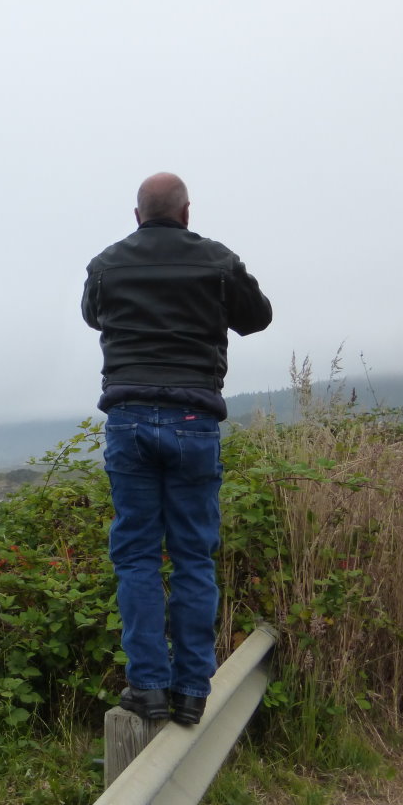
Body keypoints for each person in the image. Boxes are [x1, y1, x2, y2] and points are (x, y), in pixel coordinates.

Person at [81, 172, 272, 725]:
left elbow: (93, 316)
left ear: (137, 214)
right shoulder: (217, 261)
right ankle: (191, 692)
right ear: (187, 213)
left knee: (136, 555)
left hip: (129, 418)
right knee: (192, 555)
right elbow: (257, 317)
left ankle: (147, 686)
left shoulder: (106, 264)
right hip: (194, 418)